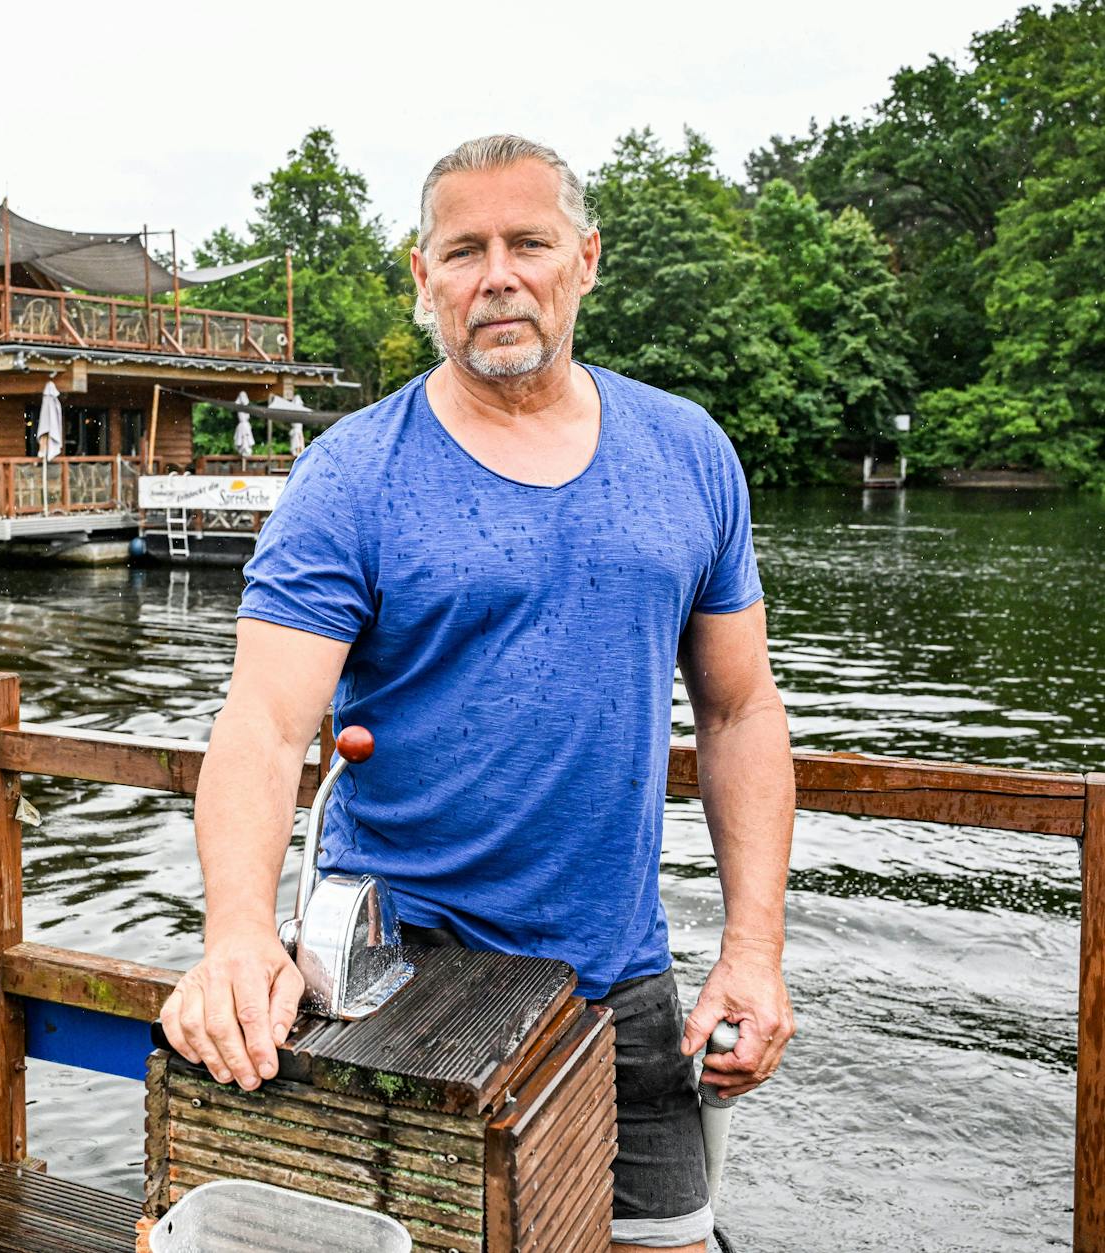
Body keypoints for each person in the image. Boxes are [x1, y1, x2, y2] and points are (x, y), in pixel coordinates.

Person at [157, 135, 797, 1253]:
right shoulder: (352, 473)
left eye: (527, 242)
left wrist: (751, 947)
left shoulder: (686, 452)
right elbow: (261, 722)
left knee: (668, 1240)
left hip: (616, 967)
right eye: (462, 250)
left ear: (583, 261)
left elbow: (739, 711)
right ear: (422, 279)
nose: (496, 274)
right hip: (388, 969)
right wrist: (232, 935)